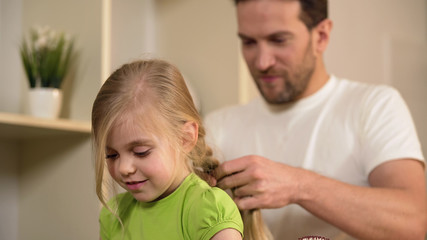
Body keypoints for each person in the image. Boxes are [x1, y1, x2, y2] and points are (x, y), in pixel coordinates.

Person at [204, 0, 427, 239]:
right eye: (248, 42)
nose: (262, 62)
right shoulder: (217, 126)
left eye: (279, 40)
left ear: (321, 36)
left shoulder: (374, 106)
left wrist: (299, 185)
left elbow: (415, 222)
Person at [91, 59, 244, 240]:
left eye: (141, 152)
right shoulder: (114, 216)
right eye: (111, 155)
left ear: (185, 139)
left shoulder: (208, 211)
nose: (123, 168)